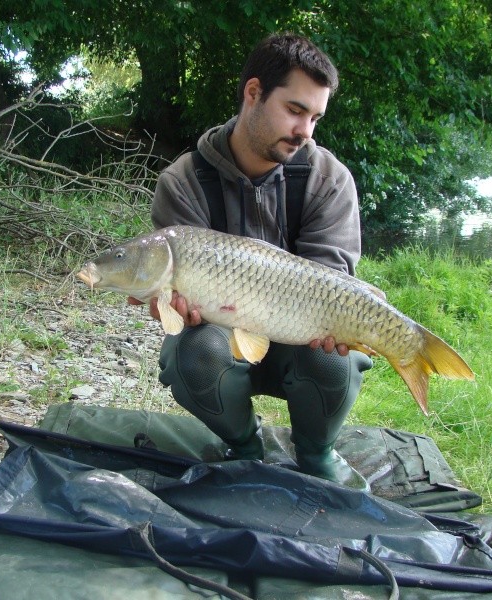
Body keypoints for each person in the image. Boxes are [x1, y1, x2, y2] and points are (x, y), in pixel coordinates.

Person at [130, 33, 373, 489]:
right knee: (193, 351)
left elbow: (331, 285)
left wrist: (342, 325)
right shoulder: (183, 181)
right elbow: (179, 301)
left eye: (315, 117)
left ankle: (316, 451)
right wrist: (174, 305)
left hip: (300, 337)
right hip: (220, 335)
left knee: (335, 361)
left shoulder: (329, 179)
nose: (306, 131)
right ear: (253, 93)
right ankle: (243, 446)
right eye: (296, 110)